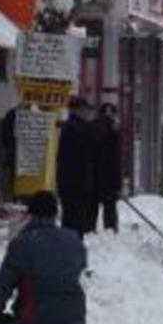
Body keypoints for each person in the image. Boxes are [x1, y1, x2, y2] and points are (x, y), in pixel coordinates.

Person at [0, 191, 87, 324]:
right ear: (56, 214)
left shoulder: (21, 244)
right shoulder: (74, 239)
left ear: (30, 214)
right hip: (77, 322)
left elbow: (1, 287)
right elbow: (79, 268)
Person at [57, 97, 98, 238]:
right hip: (76, 185)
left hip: (72, 184)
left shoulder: (73, 127)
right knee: (74, 223)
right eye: (86, 110)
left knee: (72, 221)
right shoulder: (77, 129)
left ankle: (70, 248)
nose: (89, 113)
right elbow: (84, 159)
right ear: (79, 110)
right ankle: (70, 250)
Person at [94, 103, 122, 232]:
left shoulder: (93, 128)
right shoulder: (113, 132)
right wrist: (117, 183)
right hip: (109, 178)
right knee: (109, 208)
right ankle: (110, 231)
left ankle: (90, 229)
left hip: (93, 176)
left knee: (91, 206)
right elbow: (115, 160)